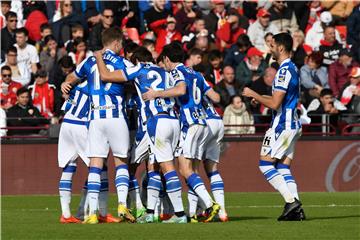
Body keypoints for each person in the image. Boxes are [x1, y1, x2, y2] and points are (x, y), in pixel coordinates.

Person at [94, 46, 187, 223]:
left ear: (136, 61)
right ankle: (150, 212)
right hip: (173, 120)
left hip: (156, 122)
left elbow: (106, 76)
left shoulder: (139, 68)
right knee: (151, 167)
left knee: (165, 168)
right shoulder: (167, 71)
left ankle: (180, 214)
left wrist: (99, 57)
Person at [61, 27, 134, 224]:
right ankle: (121, 205)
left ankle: (92, 212)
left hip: (95, 118)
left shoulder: (88, 60)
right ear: (117, 43)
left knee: (95, 164)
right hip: (116, 116)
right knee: (121, 162)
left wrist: (64, 85)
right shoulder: (122, 61)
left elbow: (70, 79)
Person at [142, 42, 221, 223]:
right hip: (202, 122)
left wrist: (157, 93)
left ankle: (209, 205)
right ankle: (194, 213)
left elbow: (181, 89)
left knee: (184, 170)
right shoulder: (195, 73)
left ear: (167, 59)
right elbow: (216, 97)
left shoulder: (177, 72)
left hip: (190, 123)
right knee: (191, 170)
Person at [242, 32, 305, 221]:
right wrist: (260, 99)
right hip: (293, 124)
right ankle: (297, 211)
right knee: (283, 168)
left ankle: (291, 201)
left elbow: (276, 104)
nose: (270, 49)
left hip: (282, 125)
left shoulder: (284, 71)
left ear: (280, 47)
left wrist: (253, 92)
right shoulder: (292, 68)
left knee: (265, 164)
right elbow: (281, 100)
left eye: (272, 45)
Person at [58, 76, 120, 224]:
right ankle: (103, 213)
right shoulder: (97, 87)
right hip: (81, 125)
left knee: (69, 167)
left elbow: (65, 105)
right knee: (99, 166)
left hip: (66, 123)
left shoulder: (77, 86)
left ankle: (66, 215)